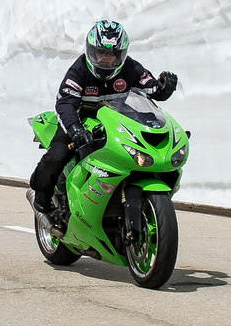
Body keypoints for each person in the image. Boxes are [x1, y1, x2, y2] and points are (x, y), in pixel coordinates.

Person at [28, 20, 178, 232]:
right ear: (91, 51)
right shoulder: (79, 70)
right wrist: (74, 129)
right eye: (100, 52)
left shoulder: (131, 68)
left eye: (112, 54)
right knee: (57, 155)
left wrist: (165, 87)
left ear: (121, 54)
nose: (105, 59)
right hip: (80, 120)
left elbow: (152, 88)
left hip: (116, 120)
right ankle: (41, 199)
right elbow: (65, 103)